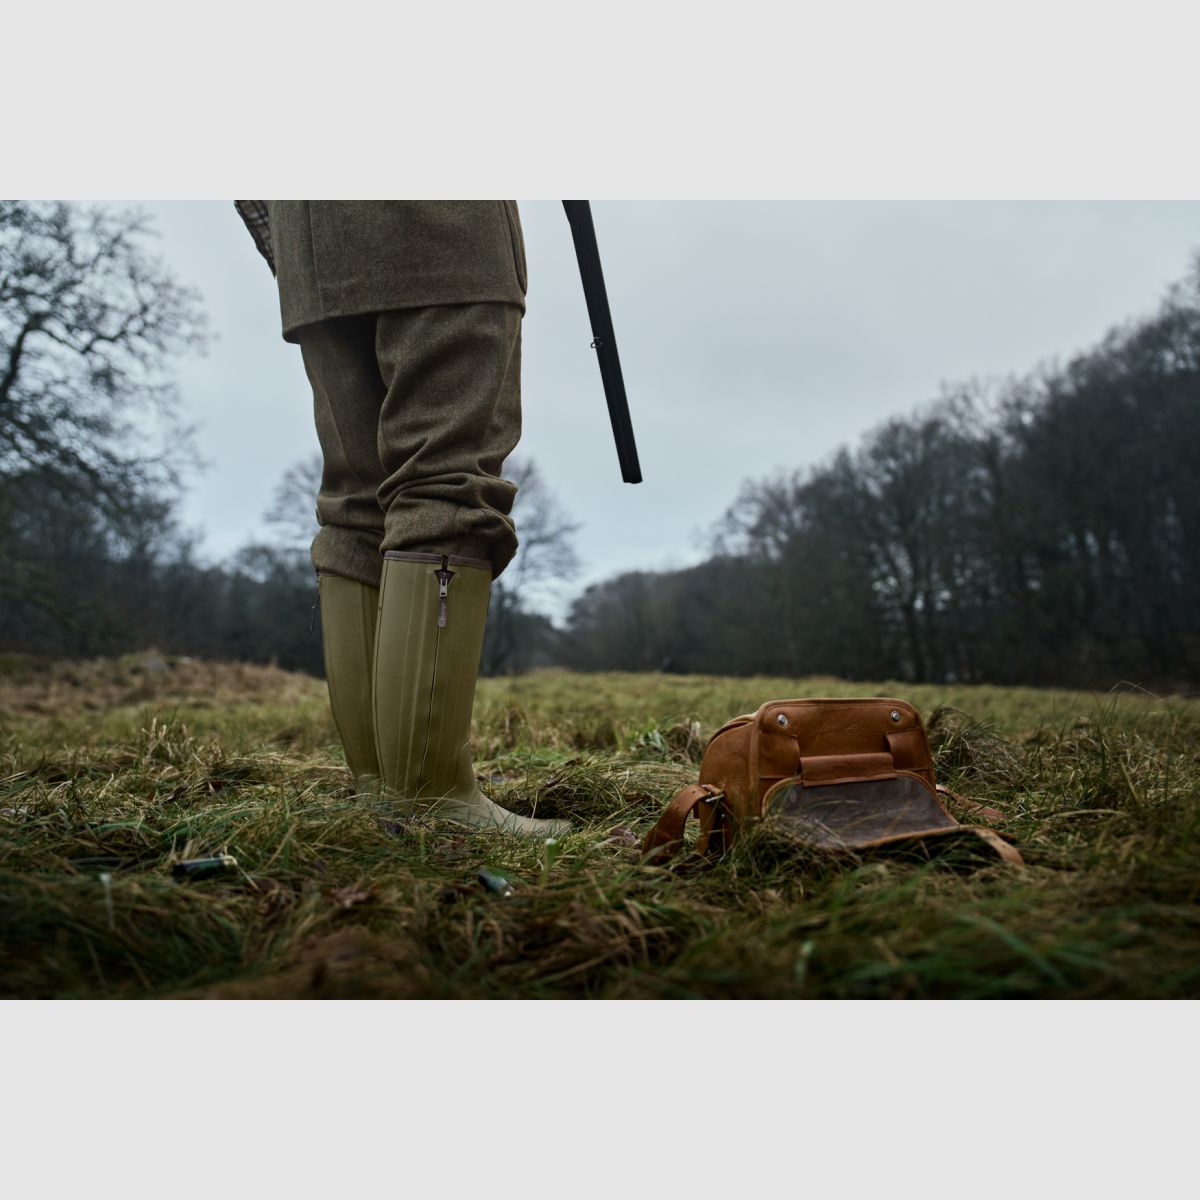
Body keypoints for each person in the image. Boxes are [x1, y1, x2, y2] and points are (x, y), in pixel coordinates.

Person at [236, 201, 567, 837]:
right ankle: (430, 795)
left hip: (312, 237)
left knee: (357, 500)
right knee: (445, 478)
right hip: (437, 226)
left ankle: (380, 790)